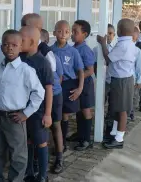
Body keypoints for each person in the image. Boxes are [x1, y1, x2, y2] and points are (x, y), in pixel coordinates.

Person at [0, 30, 44, 182]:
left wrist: (26, 113)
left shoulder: (26, 70)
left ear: (20, 47)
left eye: (14, 45)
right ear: (1, 47)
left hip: (15, 118)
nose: (9, 48)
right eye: (6, 45)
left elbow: (39, 93)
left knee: (18, 155)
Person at [19, 26, 53, 182]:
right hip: (24, 109)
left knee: (41, 142)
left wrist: (47, 114)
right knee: (28, 140)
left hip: (38, 111)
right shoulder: (21, 58)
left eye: (22, 40)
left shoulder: (42, 62)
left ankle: (43, 175)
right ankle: (29, 171)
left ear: (32, 42)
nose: (18, 42)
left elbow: (49, 89)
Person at [97, 18, 137, 149]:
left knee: (122, 110)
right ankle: (114, 133)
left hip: (122, 80)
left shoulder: (123, 45)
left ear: (119, 31)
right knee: (116, 108)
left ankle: (119, 138)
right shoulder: (129, 43)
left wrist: (103, 43)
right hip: (121, 79)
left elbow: (108, 58)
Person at [50, 20, 84, 153]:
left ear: (70, 34)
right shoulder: (51, 51)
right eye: (59, 31)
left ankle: (62, 144)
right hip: (54, 86)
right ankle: (58, 143)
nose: (63, 34)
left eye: (66, 31)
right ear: (54, 33)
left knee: (64, 116)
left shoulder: (73, 51)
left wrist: (80, 88)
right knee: (55, 117)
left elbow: (80, 70)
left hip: (69, 85)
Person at [41, 29, 65, 174]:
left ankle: (59, 159)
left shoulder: (52, 55)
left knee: (56, 126)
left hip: (54, 95)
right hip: (41, 96)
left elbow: (60, 77)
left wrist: (53, 91)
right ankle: (42, 157)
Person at [71, 20, 96, 151]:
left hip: (85, 84)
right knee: (79, 109)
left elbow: (90, 70)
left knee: (86, 110)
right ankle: (80, 134)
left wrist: (75, 77)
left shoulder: (85, 50)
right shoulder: (73, 48)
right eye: (72, 31)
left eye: (76, 32)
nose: (72, 34)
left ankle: (86, 139)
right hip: (77, 83)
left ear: (84, 34)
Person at [130, 27, 141, 121]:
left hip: (134, 78)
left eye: (134, 34)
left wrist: (139, 80)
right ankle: (128, 112)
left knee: (134, 97)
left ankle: (131, 112)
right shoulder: (122, 46)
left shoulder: (137, 50)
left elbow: (139, 67)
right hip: (125, 78)